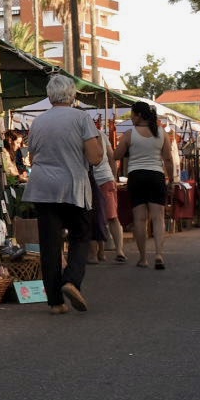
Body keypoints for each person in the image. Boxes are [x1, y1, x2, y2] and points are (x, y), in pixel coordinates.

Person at [25, 75, 103, 313]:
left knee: (50, 244)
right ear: (72, 95)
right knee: (80, 234)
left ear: (49, 96)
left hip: (41, 187)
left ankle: (55, 302)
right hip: (73, 186)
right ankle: (71, 280)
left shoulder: (38, 122)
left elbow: (32, 157)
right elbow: (94, 157)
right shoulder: (81, 118)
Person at [114, 101, 174, 269]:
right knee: (158, 217)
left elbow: (116, 155)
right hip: (156, 176)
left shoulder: (129, 134)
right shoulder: (161, 133)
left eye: (132, 114)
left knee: (140, 219)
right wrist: (171, 179)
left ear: (139, 115)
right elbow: (168, 159)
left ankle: (143, 258)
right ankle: (159, 254)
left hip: (136, 176)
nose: (131, 118)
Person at [88, 115, 125, 263]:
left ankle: (97, 253)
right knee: (112, 217)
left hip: (94, 180)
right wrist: (114, 178)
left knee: (94, 217)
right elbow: (111, 157)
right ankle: (119, 250)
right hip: (107, 179)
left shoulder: (83, 137)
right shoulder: (101, 135)